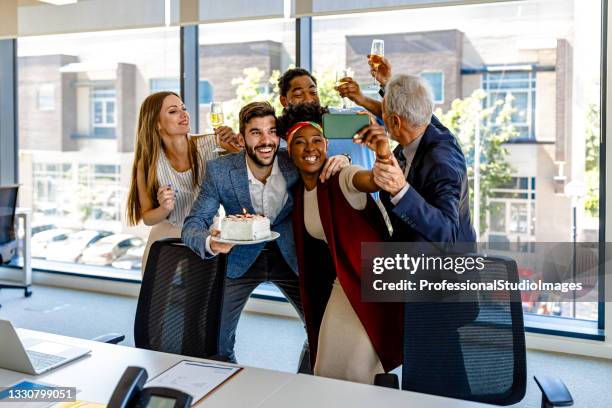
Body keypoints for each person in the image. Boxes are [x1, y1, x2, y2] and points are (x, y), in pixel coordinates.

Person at [181, 101, 349, 366]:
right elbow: (193, 223)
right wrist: (210, 241)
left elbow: (320, 155)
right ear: (241, 138)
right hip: (240, 258)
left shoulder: (292, 161)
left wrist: (344, 159)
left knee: (321, 332)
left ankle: (307, 386)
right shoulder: (221, 171)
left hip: (291, 256)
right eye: (256, 132)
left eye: (271, 131)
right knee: (216, 340)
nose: (266, 140)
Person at [275, 103, 402, 385]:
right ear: (289, 150)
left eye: (317, 140)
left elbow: (373, 180)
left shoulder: (341, 176)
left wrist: (381, 151)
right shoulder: (299, 192)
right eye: (300, 142)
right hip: (343, 284)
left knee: (357, 373)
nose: (310, 148)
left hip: (374, 284)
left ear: (327, 144)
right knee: (324, 368)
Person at [355, 74, 476, 243]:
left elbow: (449, 236)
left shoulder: (441, 163)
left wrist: (401, 190)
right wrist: (387, 84)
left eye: (382, 113)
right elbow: (411, 102)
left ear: (395, 122)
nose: (379, 116)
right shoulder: (426, 125)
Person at [126, 91, 234, 273]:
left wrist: (235, 146)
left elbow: (246, 165)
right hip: (166, 237)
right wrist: (164, 208)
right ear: (157, 123)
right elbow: (147, 218)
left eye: (183, 108)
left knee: (205, 300)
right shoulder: (147, 163)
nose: (184, 114)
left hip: (206, 239)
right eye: (173, 111)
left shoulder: (212, 144)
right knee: (157, 300)